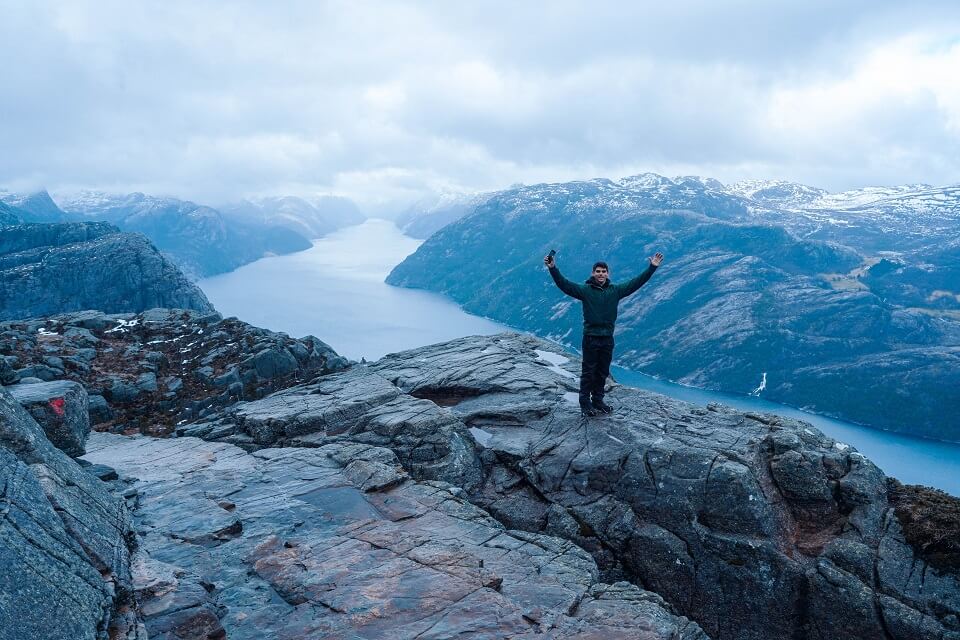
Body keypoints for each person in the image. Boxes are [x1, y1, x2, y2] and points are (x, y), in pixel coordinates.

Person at [544, 250, 664, 416]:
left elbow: (636, 282)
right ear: (593, 273)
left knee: (602, 371)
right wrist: (553, 268)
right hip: (591, 338)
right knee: (588, 372)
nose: (601, 274)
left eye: (604, 271)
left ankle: (598, 401)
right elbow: (564, 284)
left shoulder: (615, 290)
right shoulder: (585, 290)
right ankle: (585, 403)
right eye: (598, 271)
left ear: (608, 274)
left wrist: (652, 267)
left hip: (607, 338)